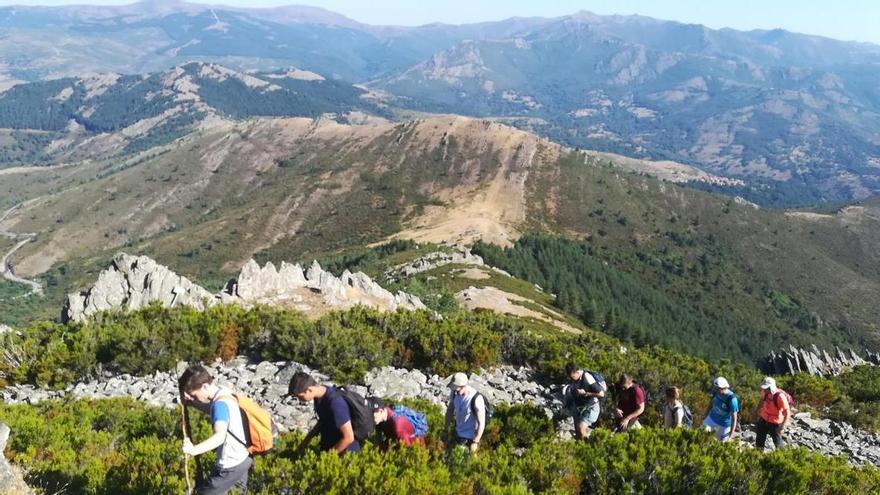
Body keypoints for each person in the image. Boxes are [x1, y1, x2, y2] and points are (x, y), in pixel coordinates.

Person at [178, 364, 252, 495]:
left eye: (194, 395)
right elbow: (213, 410)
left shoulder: (220, 404)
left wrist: (193, 450)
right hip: (244, 457)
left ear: (205, 386)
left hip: (230, 465)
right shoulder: (224, 392)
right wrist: (192, 403)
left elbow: (219, 437)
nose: (192, 397)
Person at [288, 372, 361, 455]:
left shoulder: (336, 404)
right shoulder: (320, 396)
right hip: (330, 448)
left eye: (301, 396)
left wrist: (327, 458)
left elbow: (348, 437)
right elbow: (323, 420)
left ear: (310, 390)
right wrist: (305, 442)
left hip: (345, 454)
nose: (300, 400)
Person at [444, 372, 487, 453]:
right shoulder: (454, 394)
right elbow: (450, 411)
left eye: (456, 389)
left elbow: (481, 422)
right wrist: (446, 429)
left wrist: (476, 441)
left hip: (470, 438)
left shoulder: (476, 399)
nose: (455, 392)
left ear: (464, 386)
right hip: (457, 434)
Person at [564, 363, 606, 440]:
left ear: (577, 372)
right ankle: (581, 447)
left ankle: (588, 447)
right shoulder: (573, 378)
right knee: (578, 431)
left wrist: (586, 393)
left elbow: (601, 394)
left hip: (591, 406)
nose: (571, 379)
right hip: (579, 406)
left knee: (581, 428)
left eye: (573, 377)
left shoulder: (587, 377)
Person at [754, 376, 791, 450]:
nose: (764, 389)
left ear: (771, 387)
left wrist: (783, 426)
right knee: (759, 439)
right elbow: (761, 400)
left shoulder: (779, 396)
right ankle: (757, 455)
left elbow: (787, 412)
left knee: (777, 441)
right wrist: (757, 410)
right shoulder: (765, 392)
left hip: (775, 422)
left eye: (766, 388)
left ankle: (783, 456)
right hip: (764, 418)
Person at [701, 376, 739, 442]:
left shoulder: (732, 400)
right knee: (701, 435)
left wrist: (731, 434)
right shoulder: (715, 392)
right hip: (711, 419)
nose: (716, 390)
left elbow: (734, 418)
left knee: (721, 445)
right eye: (716, 388)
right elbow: (711, 404)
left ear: (724, 388)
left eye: (718, 389)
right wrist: (705, 415)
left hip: (724, 425)